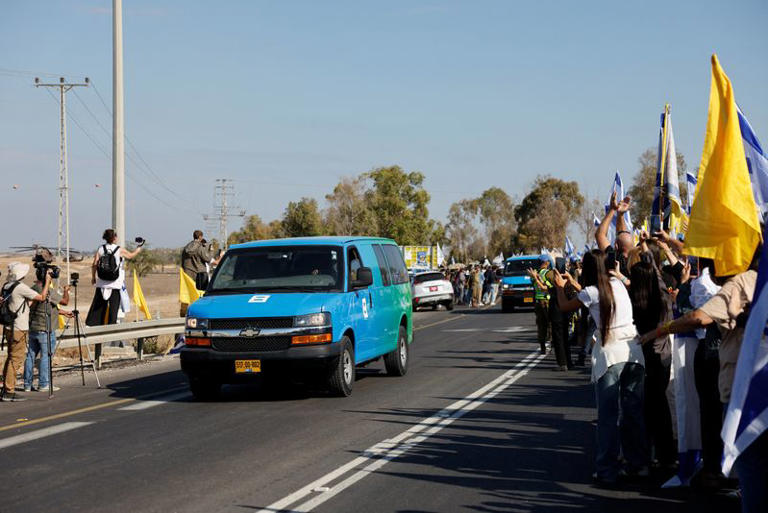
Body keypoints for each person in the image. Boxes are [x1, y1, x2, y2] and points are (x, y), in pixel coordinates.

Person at [553, 250, 647, 486]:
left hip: (610, 354)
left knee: (608, 417)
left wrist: (558, 286)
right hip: (634, 351)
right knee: (633, 412)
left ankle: (607, 470)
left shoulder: (591, 292)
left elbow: (565, 306)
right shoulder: (617, 283)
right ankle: (638, 464)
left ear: (588, 269)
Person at [1, 262, 51, 402]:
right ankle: (9, 391)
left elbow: (21, 304)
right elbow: (42, 297)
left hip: (9, 327)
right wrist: (47, 282)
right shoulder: (21, 287)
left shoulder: (6, 286)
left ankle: (5, 387)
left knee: (11, 358)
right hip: (19, 328)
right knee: (16, 360)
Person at [24, 255, 74, 392]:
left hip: (33, 328)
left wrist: (62, 313)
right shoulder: (47, 291)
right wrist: (66, 291)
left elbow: (48, 306)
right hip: (45, 329)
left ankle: (27, 384)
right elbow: (64, 301)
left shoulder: (32, 288)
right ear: (47, 276)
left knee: (30, 356)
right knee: (46, 356)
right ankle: (44, 384)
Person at [86, 229, 142, 326]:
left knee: (98, 309)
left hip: (101, 283)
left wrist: (93, 277)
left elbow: (94, 264)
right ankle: (111, 329)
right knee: (113, 309)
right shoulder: (119, 249)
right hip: (115, 284)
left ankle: (94, 327)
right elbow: (130, 255)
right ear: (114, 237)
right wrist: (138, 249)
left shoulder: (101, 249)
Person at [596, 192, 633, 277]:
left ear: (616, 246)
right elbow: (622, 236)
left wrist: (612, 209)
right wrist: (620, 215)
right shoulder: (639, 263)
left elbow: (600, 235)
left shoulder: (615, 261)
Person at [529, 255, 552, 354]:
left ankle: (542, 347)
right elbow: (551, 287)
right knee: (550, 324)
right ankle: (551, 345)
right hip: (547, 301)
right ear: (546, 262)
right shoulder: (548, 273)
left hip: (538, 301)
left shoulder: (535, 274)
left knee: (541, 325)